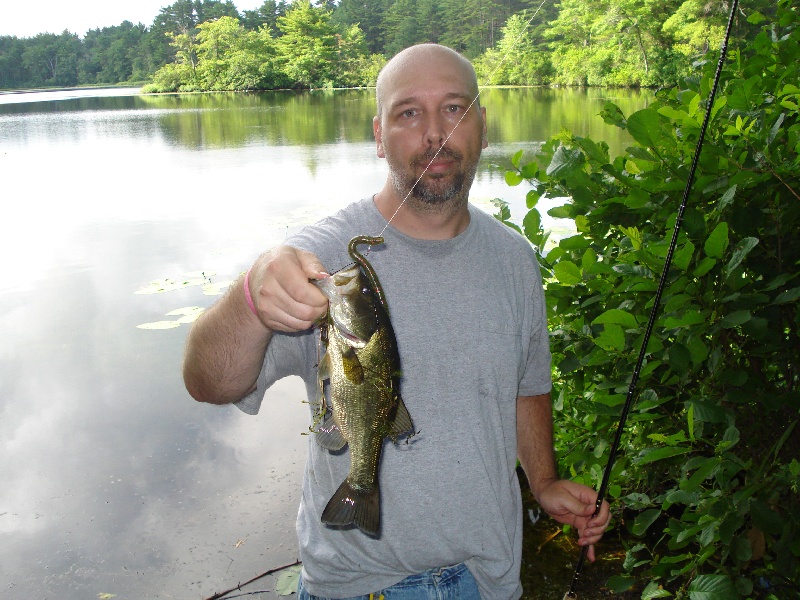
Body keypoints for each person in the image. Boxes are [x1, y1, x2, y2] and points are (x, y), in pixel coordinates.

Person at [183, 43, 610, 599]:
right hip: (363, 586)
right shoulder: (322, 259)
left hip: (491, 578)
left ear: (481, 123)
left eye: (455, 108)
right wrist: (250, 296)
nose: (435, 133)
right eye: (409, 113)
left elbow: (526, 385)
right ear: (379, 135)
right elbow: (208, 382)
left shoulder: (514, 259)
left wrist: (545, 479)